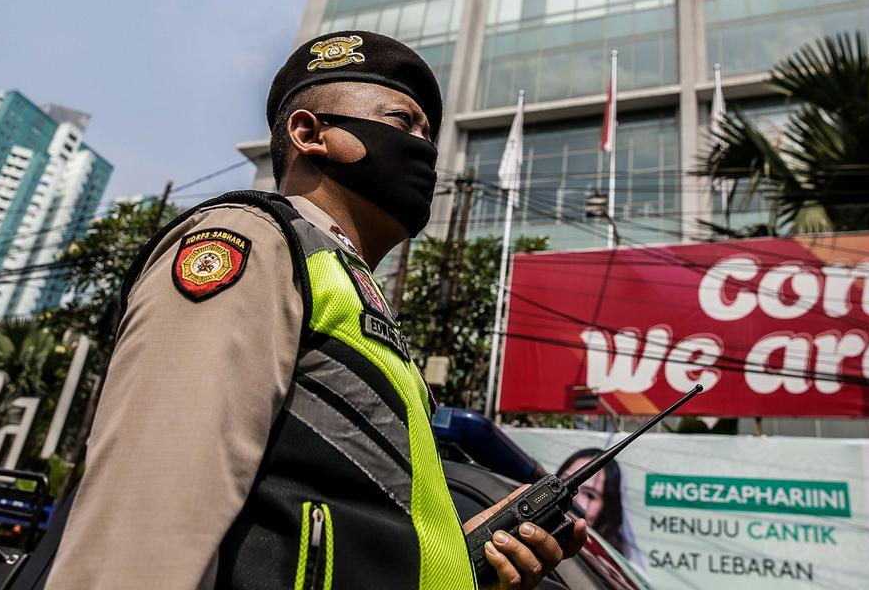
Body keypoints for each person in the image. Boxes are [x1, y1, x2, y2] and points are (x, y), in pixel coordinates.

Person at [46, 30, 586, 589]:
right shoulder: (251, 240)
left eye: (429, 133)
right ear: (309, 133)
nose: (425, 148)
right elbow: (152, 500)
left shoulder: (350, 288)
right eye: (403, 124)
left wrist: (461, 566)